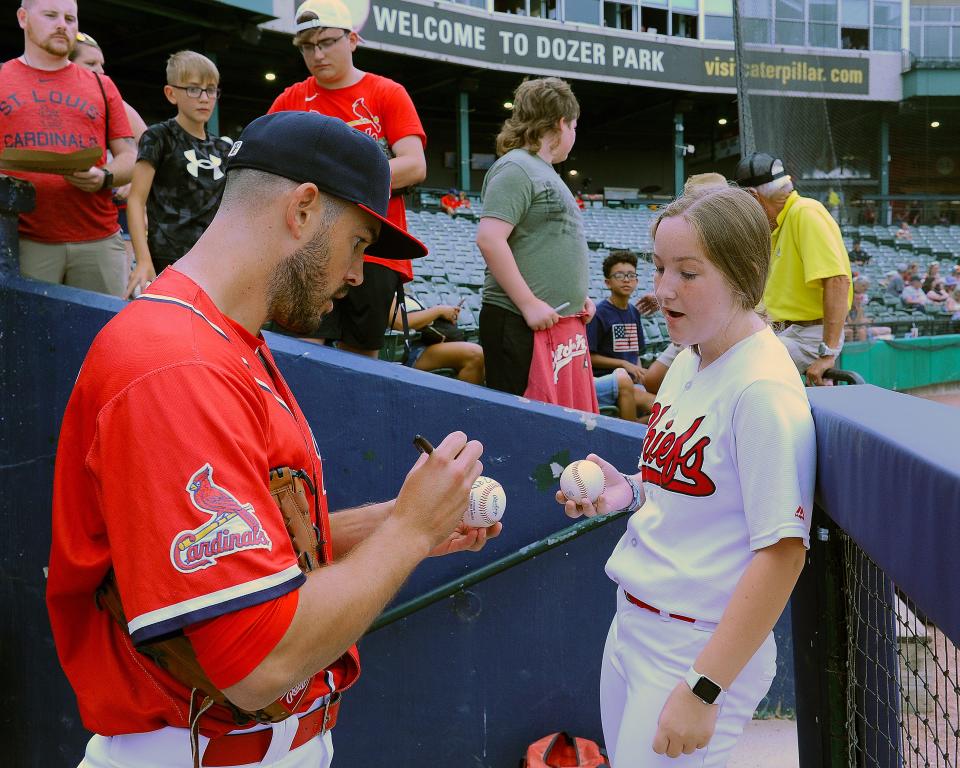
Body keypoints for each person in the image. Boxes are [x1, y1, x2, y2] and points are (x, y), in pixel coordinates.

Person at [46, 111, 501, 768]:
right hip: (200, 749)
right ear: (305, 210)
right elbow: (256, 662)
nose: (357, 275)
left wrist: (396, 522)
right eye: (357, 242)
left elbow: (263, 547)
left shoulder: (224, 341)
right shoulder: (176, 363)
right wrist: (407, 534)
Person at [557, 186, 815, 767]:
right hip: (635, 622)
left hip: (695, 645)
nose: (662, 288)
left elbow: (782, 554)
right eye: (659, 267)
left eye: (688, 273)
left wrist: (705, 686)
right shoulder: (690, 358)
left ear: (743, 275)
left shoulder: (762, 390)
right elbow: (696, 487)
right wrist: (631, 490)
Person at [268, 0, 427, 358]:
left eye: (326, 42)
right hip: (308, 246)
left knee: (360, 362)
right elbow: (266, 162)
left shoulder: (386, 92)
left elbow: (415, 165)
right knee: (302, 354)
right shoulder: (291, 98)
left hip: (372, 251)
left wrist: (333, 182)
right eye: (307, 46)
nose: (317, 54)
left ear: (352, 39)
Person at [2, 0, 135, 297]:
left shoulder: (102, 85)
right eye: (50, 15)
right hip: (24, 239)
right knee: (27, 339)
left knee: (102, 337)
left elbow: (129, 157)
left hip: (98, 239)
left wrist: (104, 176)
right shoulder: (2, 78)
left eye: (70, 18)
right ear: (23, 18)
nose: (63, 24)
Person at [476, 77, 594, 397]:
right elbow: (490, 239)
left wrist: (576, 295)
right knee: (523, 426)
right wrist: (529, 303)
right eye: (574, 127)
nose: (574, 135)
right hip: (517, 321)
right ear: (561, 123)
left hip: (548, 325)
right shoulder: (516, 167)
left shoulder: (542, 170)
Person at [734, 152, 852, 386]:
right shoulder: (775, 225)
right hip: (783, 332)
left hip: (810, 335)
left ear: (753, 196)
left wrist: (827, 353)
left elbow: (837, 281)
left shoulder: (805, 212)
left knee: (743, 367)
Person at [126, 51, 233, 298]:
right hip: (167, 259)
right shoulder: (158, 136)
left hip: (214, 263)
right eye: (194, 89)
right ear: (171, 93)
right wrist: (143, 261)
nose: (204, 98)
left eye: (211, 90)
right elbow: (135, 200)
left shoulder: (225, 148)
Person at [69, 30, 149, 280]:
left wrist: (136, 181)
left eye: (102, 64)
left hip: (115, 218)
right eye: (91, 64)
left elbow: (152, 148)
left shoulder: (114, 102)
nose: (101, 72)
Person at [388, 294, 485, 384]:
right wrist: (439, 311)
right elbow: (400, 323)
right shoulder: (383, 283)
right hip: (402, 351)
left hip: (423, 343)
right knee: (475, 354)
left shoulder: (404, 294)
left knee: (487, 358)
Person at [588, 251, 646, 382]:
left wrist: (639, 376)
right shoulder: (598, 313)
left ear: (636, 281)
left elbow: (635, 353)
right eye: (619, 275)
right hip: (608, 380)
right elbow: (589, 357)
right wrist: (623, 364)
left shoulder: (634, 312)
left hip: (631, 381)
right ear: (608, 283)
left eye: (631, 275)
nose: (626, 280)